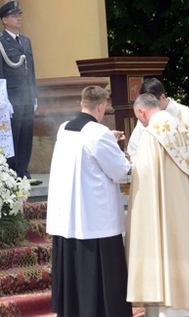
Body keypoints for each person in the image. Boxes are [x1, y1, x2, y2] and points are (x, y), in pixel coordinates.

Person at [126, 94, 189, 316]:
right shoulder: (186, 130)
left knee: (165, 257)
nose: (141, 123)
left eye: (139, 118)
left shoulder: (152, 135)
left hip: (165, 214)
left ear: (142, 111)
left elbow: (144, 177)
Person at [47, 85, 132, 317]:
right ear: (102, 107)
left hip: (68, 216)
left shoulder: (64, 128)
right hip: (95, 218)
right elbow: (119, 170)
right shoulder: (99, 132)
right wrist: (117, 147)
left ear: (81, 103)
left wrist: (108, 140)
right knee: (103, 273)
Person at [0, 0, 39, 185]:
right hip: (11, 97)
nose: (18, 18)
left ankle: (23, 170)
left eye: (19, 15)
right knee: (13, 134)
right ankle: (12, 170)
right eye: (14, 16)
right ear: (5, 20)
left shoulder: (25, 41)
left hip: (26, 96)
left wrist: (34, 95)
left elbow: (30, 69)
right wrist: (3, 99)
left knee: (26, 134)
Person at [126, 78, 189, 165]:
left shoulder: (187, 115)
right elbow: (135, 149)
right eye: (146, 104)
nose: (149, 107)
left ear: (163, 97)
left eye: (153, 103)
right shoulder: (145, 118)